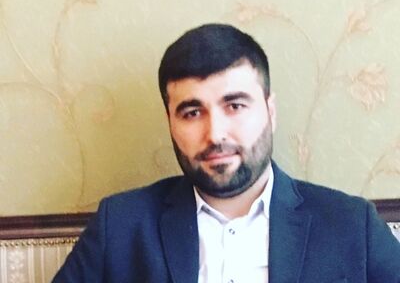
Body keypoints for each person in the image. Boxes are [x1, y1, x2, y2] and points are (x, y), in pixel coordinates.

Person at [52, 23, 400, 283]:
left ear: (270, 111)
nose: (215, 133)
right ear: (170, 121)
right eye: (192, 112)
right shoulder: (120, 225)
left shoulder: (352, 225)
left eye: (234, 105)